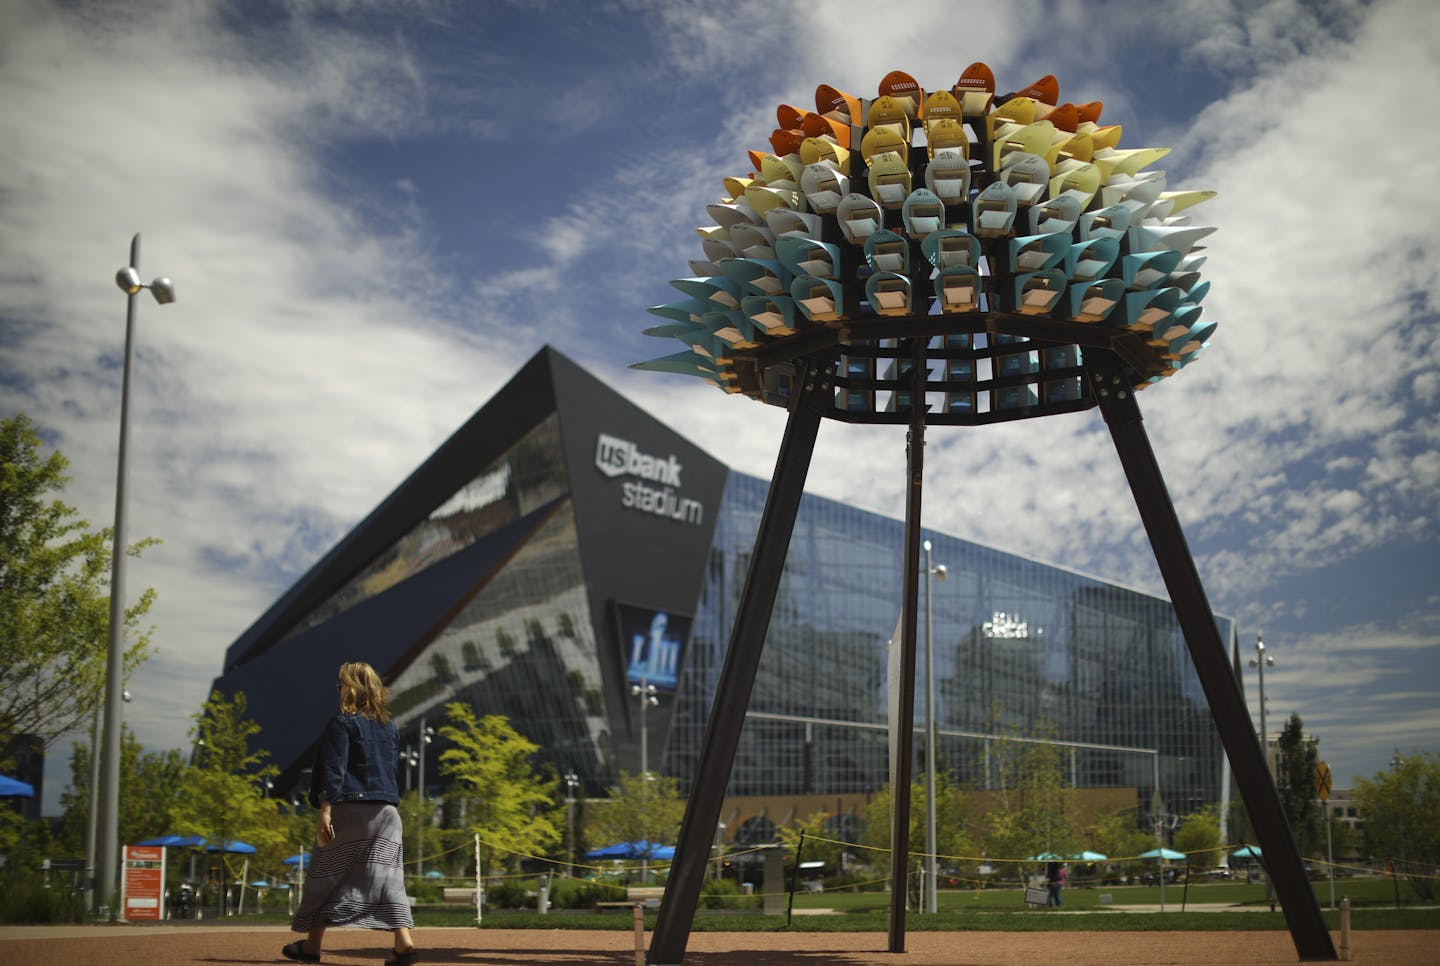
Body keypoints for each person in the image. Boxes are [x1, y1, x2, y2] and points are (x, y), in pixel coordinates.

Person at [283, 662, 418, 965]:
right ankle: (403, 942)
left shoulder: (342, 723)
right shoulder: (388, 726)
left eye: (340, 684)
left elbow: (334, 768)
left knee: (325, 874)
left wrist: (326, 810)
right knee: (389, 878)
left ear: (351, 687)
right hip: (387, 811)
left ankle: (312, 946)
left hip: (351, 809)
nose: (339, 689)